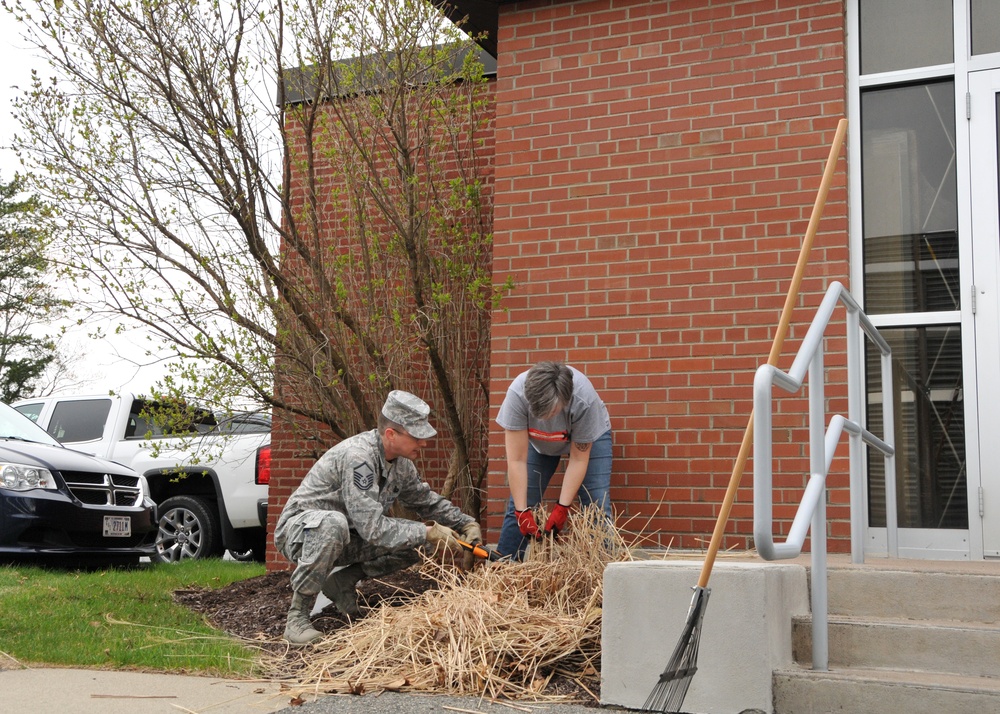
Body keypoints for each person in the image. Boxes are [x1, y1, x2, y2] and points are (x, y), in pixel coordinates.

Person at [274, 390, 483, 645]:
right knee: (334, 525)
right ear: (391, 434)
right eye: (417, 436)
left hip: (347, 536)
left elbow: (424, 500)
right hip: (301, 532)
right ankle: (297, 618)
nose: (424, 443)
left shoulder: (401, 463)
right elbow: (373, 528)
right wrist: (426, 530)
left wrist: (465, 523)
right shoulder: (359, 457)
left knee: (424, 543)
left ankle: (342, 583)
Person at [495, 361, 613, 559]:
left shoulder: (583, 399)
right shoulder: (516, 394)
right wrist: (522, 512)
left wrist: (562, 507)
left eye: (552, 412)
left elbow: (578, 459)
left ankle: (605, 571)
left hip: (589, 438)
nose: (547, 420)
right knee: (520, 501)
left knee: (596, 503)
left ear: (566, 400)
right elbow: (516, 460)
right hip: (538, 444)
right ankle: (504, 567)